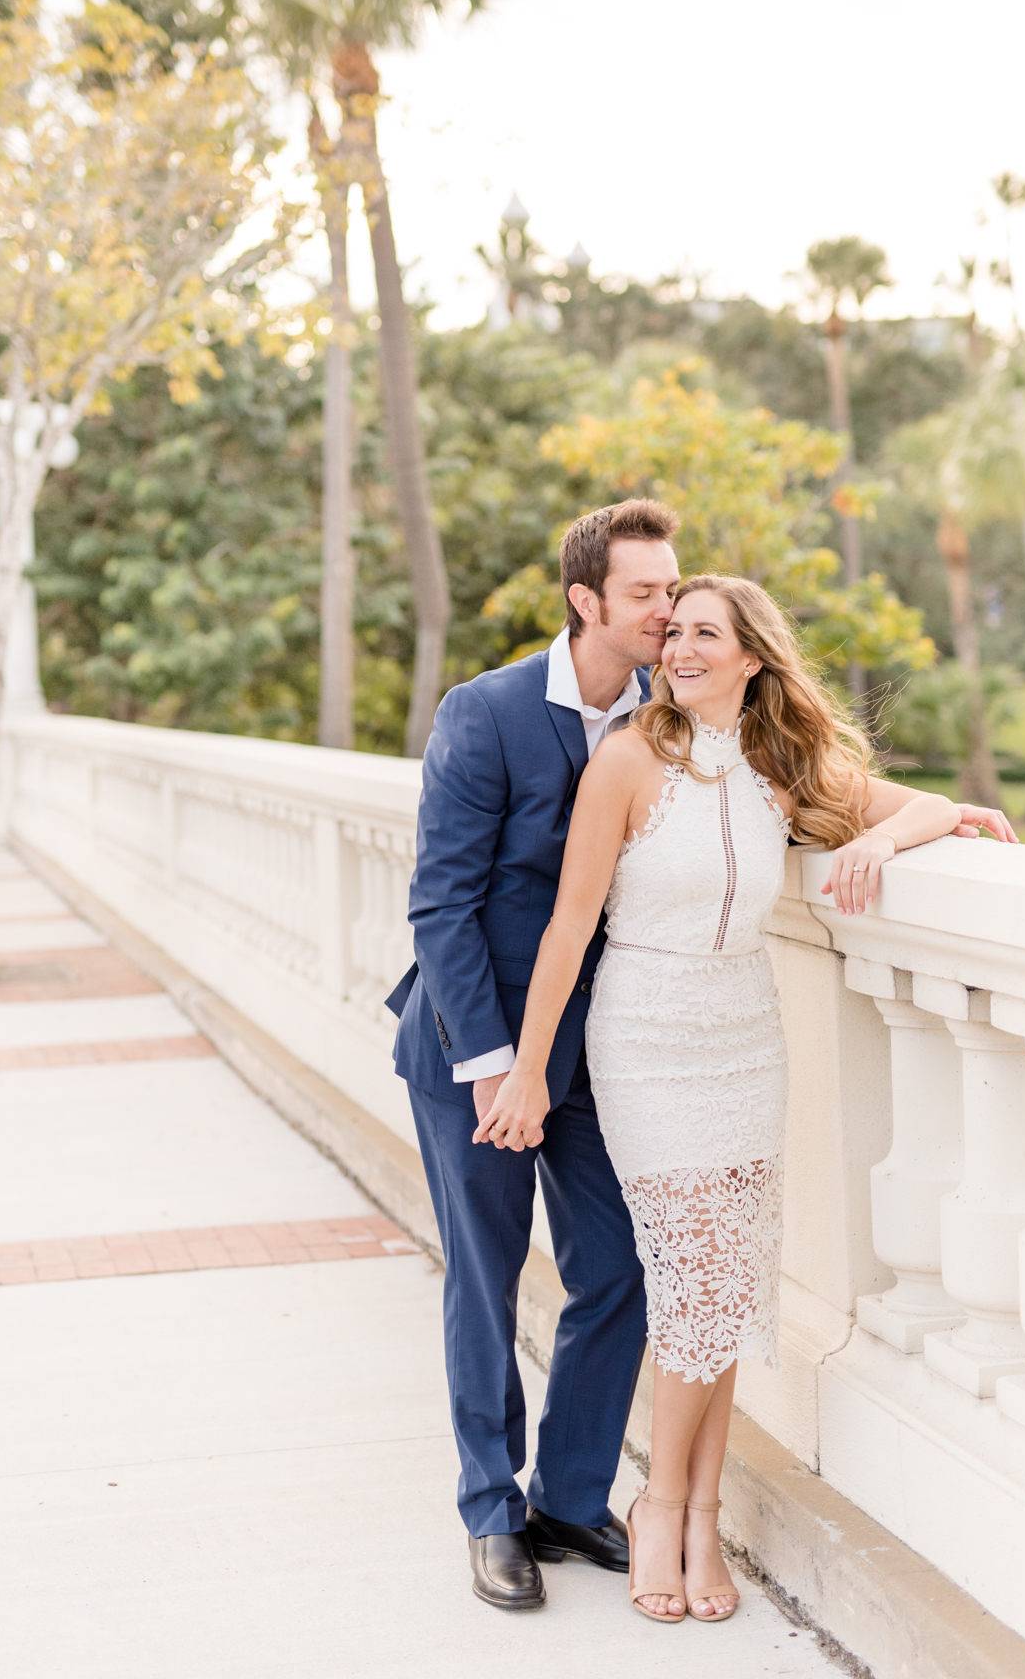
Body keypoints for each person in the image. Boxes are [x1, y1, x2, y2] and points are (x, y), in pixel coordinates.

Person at [475, 574, 1017, 1623]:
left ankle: (695, 1510)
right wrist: (531, 1065)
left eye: (701, 634)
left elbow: (936, 808)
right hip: (645, 1040)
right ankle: (657, 1502)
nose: (675, 647)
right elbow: (567, 924)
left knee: (723, 1287)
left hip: (745, 1040)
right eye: (669, 631)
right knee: (691, 1283)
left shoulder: (779, 761)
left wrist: (871, 838)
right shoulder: (628, 758)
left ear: (750, 658)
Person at [388, 499, 681, 1611]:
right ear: (586, 599)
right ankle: (489, 1510)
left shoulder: (675, 715)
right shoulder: (488, 711)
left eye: (671, 588)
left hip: (602, 1055)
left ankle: (568, 1494)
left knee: (616, 1267)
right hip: (476, 1051)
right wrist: (493, 1065)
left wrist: (921, 813)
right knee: (485, 1274)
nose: (666, 609)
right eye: (645, 592)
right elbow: (442, 905)